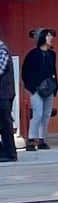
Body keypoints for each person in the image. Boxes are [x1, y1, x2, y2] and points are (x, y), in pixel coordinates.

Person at [21, 27, 58, 152]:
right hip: (35, 89)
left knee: (46, 114)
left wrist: (55, 86)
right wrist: (30, 87)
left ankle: (42, 139)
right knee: (37, 113)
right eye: (48, 35)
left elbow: (53, 70)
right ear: (42, 37)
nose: (51, 38)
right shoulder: (32, 54)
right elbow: (25, 72)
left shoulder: (52, 54)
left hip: (49, 88)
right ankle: (31, 139)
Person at [0, 34, 17, 164]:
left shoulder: (2, 51)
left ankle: (10, 153)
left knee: (5, 124)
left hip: (4, 95)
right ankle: (3, 150)